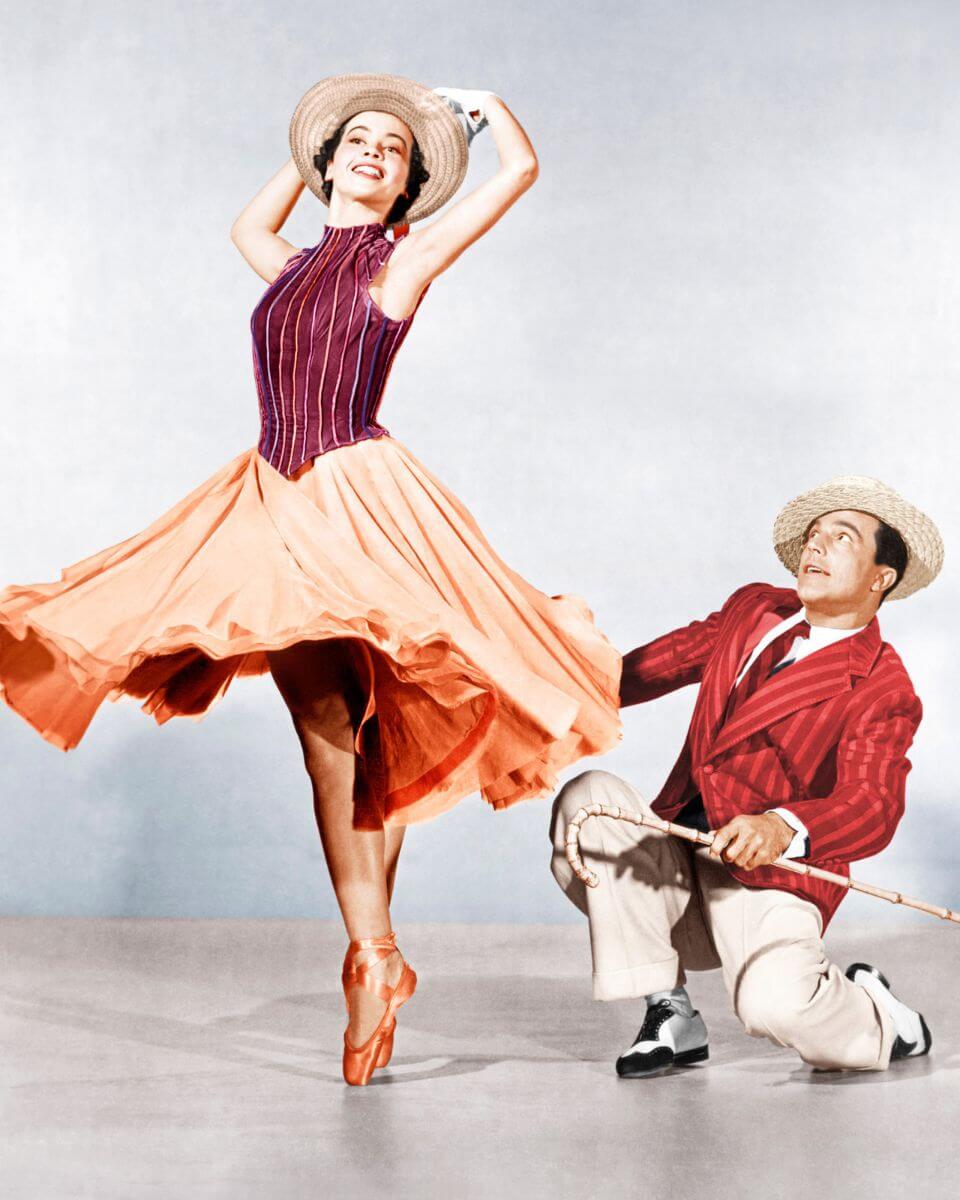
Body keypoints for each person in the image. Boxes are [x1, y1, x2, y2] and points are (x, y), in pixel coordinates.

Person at [0, 73, 621, 1086]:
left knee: (374, 733)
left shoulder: (405, 259)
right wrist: (315, 142)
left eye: (395, 149)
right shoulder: (283, 262)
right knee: (329, 736)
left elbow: (524, 171)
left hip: (361, 501)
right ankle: (374, 951)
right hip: (269, 501)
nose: (376, 151)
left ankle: (373, 952)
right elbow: (246, 221)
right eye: (357, 143)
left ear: (412, 184)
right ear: (328, 165)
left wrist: (483, 104)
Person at [550, 475, 943, 1077]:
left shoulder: (884, 685)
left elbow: (873, 805)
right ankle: (671, 1012)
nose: (815, 547)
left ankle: (886, 1017)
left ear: (879, 577)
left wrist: (783, 827)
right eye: (813, 535)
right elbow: (653, 667)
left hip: (770, 879)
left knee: (772, 1008)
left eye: (841, 538)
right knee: (588, 804)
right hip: (680, 857)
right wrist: (547, 681)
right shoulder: (755, 609)